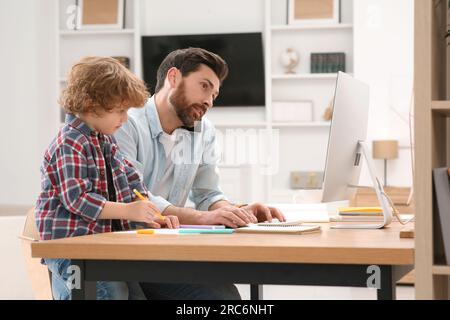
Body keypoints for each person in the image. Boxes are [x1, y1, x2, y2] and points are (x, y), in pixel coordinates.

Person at [114, 48, 285, 300]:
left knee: (224, 297)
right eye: (204, 87)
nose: (209, 101)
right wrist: (203, 218)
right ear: (173, 78)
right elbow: (133, 196)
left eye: (214, 94)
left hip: (168, 252)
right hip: (124, 252)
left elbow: (208, 193)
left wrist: (237, 212)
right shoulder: (126, 122)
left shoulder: (203, 131)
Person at [35, 56, 179, 300]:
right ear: (91, 105)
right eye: (120, 111)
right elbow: (77, 199)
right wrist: (129, 211)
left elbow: (131, 180)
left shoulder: (105, 139)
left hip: (99, 246)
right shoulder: (70, 142)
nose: (125, 119)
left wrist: (153, 213)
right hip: (69, 247)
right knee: (110, 293)